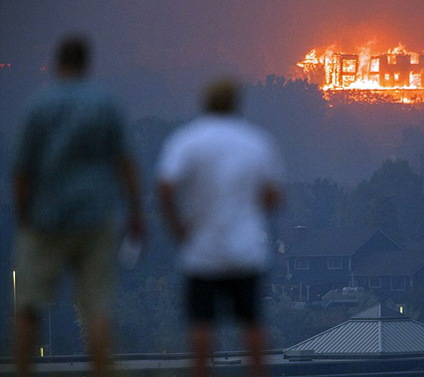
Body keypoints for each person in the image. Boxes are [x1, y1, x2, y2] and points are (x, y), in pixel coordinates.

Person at [12, 36, 144, 377]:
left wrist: (24, 214)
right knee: (97, 310)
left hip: (45, 219)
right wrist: (135, 213)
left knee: (29, 306)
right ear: (88, 63)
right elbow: (125, 164)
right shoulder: (105, 105)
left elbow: (22, 169)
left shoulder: (38, 106)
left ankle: (22, 370)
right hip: (95, 219)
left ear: (58, 63)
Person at [157, 79, 283, 377]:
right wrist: (253, 212)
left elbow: (164, 187)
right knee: (252, 323)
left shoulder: (187, 141)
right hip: (245, 249)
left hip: (202, 250)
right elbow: (274, 195)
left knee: (201, 325)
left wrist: (177, 226)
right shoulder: (257, 141)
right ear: (236, 103)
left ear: (205, 102)